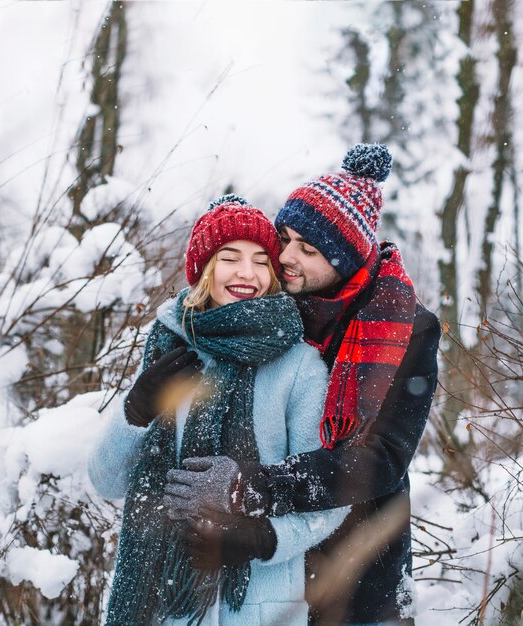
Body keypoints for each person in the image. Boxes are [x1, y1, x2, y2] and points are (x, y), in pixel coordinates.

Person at [163, 145, 441, 626]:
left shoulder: (405, 329)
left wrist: (248, 488)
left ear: (347, 259)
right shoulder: (275, 307)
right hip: (273, 569)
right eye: (285, 238)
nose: (286, 257)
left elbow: (381, 460)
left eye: (308, 250)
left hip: (359, 572)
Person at [88, 195, 349, 626]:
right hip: (163, 607)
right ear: (205, 268)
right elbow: (107, 480)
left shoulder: (298, 365)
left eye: (261, 260)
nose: (247, 273)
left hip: (258, 610)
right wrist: (136, 411)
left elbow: (329, 496)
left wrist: (261, 538)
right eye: (230, 258)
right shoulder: (167, 347)